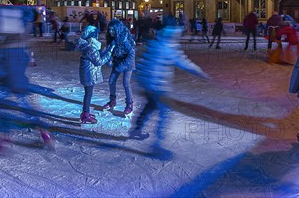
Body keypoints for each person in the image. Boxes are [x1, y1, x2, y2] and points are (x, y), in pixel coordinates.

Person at [130, 18, 209, 159]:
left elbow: (142, 60)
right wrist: (199, 72)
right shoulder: (169, 47)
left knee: (150, 106)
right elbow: (183, 62)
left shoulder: (155, 42)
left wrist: (139, 77)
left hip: (147, 82)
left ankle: (136, 128)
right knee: (165, 113)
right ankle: (157, 144)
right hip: (158, 86)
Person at [0, 6, 54, 153]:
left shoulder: (4, 51)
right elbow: (26, 63)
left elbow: (0, 63)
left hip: (8, 83)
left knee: (1, 110)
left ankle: (2, 137)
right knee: (28, 110)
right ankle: (44, 133)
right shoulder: (21, 51)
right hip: (21, 83)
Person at [75, 25, 114, 124]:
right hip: (89, 74)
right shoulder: (90, 48)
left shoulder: (88, 46)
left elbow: (95, 57)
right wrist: (109, 52)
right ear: (92, 36)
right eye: (96, 35)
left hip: (87, 73)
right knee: (88, 94)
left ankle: (86, 112)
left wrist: (103, 51)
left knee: (88, 94)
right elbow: (99, 61)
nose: (98, 37)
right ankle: (85, 115)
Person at [101, 19, 136, 115]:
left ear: (117, 29)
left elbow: (132, 53)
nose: (111, 32)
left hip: (128, 62)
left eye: (113, 30)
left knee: (126, 83)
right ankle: (112, 101)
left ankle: (130, 104)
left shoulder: (125, 39)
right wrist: (110, 59)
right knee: (111, 81)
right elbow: (110, 51)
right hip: (118, 60)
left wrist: (121, 66)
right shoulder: (112, 39)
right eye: (110, 30)